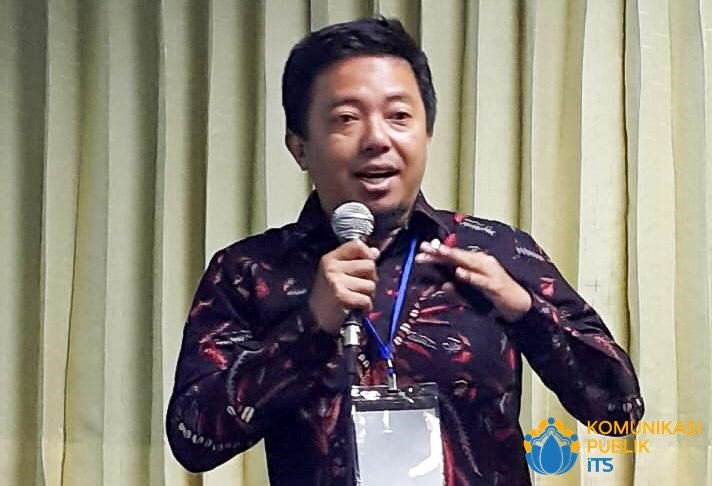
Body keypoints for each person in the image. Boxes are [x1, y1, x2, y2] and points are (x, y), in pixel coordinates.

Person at [166, 16, 644, 486]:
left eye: (398, 116)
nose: (377, 139)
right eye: (346, 118)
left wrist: (525, 311)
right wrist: (310, 326)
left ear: (427, 133)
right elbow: (194, 442)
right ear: (300, 148)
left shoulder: (497, 251)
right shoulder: (250, 271)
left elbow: (619, 412)